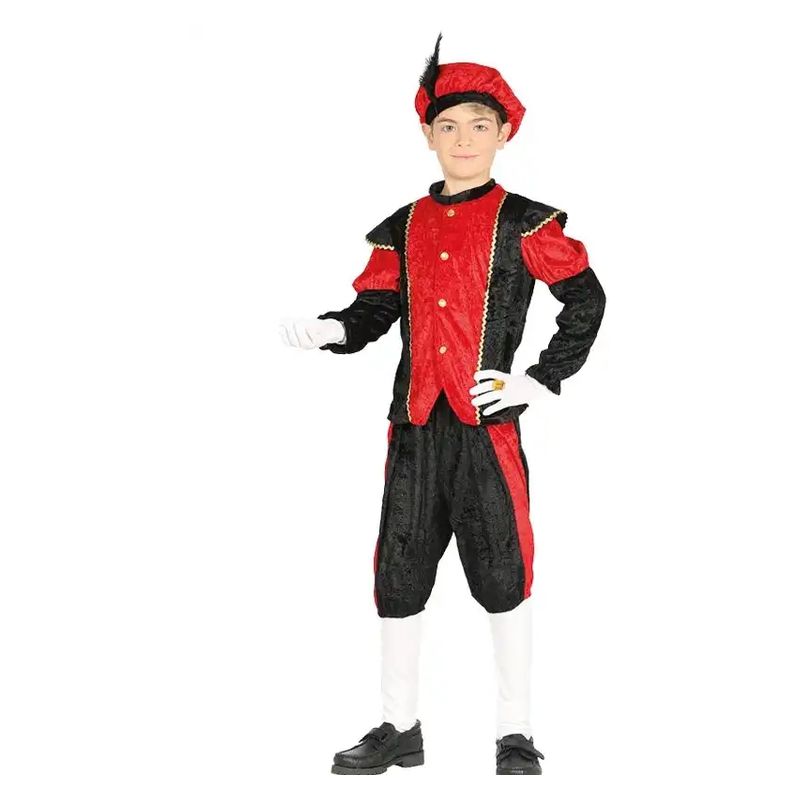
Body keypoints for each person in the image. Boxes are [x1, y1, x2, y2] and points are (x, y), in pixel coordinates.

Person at [278, 32, 606, 775]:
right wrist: (335, 329)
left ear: (504, 133)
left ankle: (516, 730)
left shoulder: (525, 222)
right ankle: (399, 726)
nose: (463, 139)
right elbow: (374, 309)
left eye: (479, 126)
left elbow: (585, 301)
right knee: (398, 569)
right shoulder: (403, 226)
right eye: (448, 126)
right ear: (427, 134)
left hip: (486, 425)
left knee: (504, 568)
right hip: (416, 426)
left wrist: (539, 378)